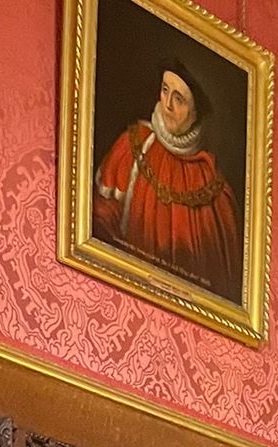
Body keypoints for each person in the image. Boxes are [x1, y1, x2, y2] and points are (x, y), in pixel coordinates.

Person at [92, 61, 242, 302]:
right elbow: (99, 224)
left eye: (179, 99)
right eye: (164, 90)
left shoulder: (214, 187)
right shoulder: (133, 146)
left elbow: (223, 281)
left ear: (197, 112)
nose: (167, 104)